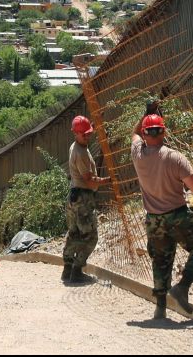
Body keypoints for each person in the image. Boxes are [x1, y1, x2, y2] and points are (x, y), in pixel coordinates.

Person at [131, 100, 193, 319]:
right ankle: (183, 287)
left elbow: (134, 134)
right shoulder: (174, 157)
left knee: (161, 260)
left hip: (153, 220)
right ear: (164, 132)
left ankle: (160, 308)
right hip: (178, 215)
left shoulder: (137, 154)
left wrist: (145, 114)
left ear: (144, 133)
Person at [62, 115, 112, 284]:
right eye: (84, 134)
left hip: (74, 196)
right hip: (83, 198)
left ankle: (67, 269)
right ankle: (77, 271)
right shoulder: (81, 153)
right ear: (75, 133)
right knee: (90, 237)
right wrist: (108, 180)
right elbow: (89, 180)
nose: (87, 136)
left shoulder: (75, 145)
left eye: (89, 133)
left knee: (74, 234)